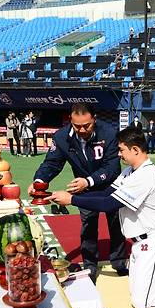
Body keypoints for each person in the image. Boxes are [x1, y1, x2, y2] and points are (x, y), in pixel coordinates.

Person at [47, 127, 155, 308]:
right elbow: (105, 194)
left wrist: (71, 200)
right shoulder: (129, 172)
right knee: (139, 291)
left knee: (143, 302)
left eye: (122, 149)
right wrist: (73, 194)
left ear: (135, 150)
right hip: (141, 244)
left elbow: (108, 204)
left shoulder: (145, 175)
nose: (119, 154)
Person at [29, 103, 126, 282]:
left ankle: (119, 262)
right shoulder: (61, 137)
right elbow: (52, 163)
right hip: (83, 189)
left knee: (116, 225)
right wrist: (39, 181)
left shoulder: (110, 133)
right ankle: (90, 265)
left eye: (86, 125)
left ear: (94, 119)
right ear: (70, 121)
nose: (82, 130)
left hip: (110, 186)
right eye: (77, 126)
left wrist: (88, 180)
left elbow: (112, 167)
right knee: (88, 225)